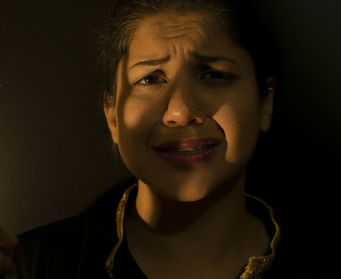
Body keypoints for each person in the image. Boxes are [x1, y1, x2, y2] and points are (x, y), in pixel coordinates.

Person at [0, 0, 282, 278]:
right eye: (150, 79)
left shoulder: (322, 263)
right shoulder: (28, 267)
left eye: (214, 75)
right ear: (112, 115)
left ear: (265, 103)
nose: (180, 112)